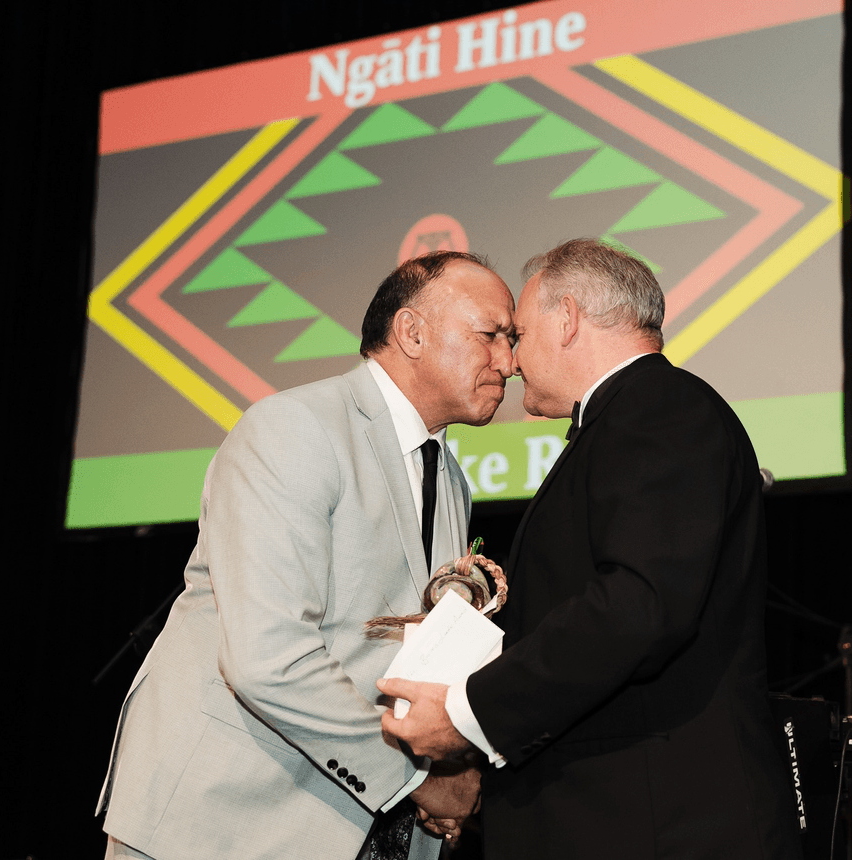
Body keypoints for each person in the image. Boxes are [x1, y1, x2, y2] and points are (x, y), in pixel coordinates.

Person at [380, 239, 804, 859]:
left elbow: (637, 606)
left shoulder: (660, 407)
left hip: (659, 827)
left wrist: (469, 711)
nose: (511, 360)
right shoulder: (629, 418)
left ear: (569, 318)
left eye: (518, 334)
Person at [96, 251, 516, 860]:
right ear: (412, 332)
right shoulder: (294, 428)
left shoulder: (450, 478)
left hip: (348, 826)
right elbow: (268, 659)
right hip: (222, 821)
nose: (509, 361)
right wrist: (417, 779)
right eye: (490, 336)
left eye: (511, 341)